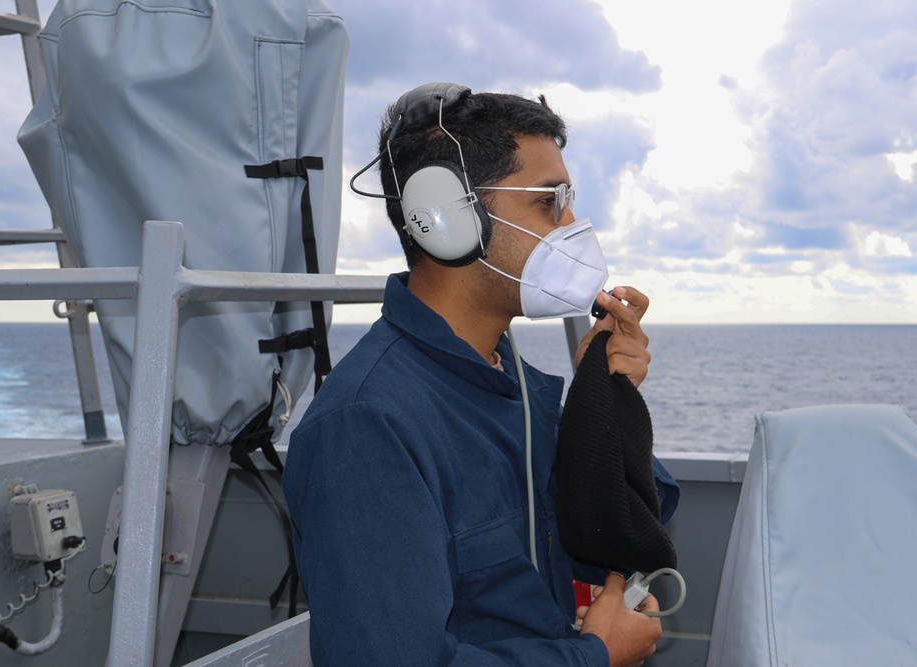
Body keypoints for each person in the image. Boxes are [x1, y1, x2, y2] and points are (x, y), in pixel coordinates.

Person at [282, 83, 679, 666]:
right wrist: (595, 656)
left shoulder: (515, 384)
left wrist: (607, 401)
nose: (573, 224)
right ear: (446, 217)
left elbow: (619, 529)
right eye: (550, 201)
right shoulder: (367, 428)